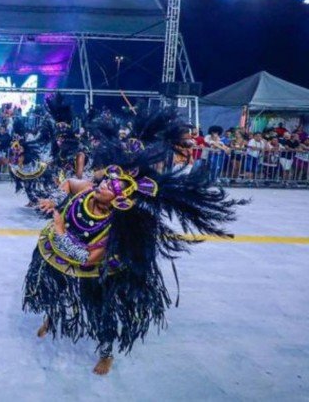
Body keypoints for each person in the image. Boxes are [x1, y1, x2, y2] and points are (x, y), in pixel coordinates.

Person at [24, 134, 246, 376]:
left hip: (93, 267)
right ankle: (52, 317)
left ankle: (106, 352)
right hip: (59, 252)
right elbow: (67, 183)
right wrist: (53, 200)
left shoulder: (117, 227)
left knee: (100, 310)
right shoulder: (87, 189)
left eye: (112, 186)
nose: (105, 184)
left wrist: (59, 230)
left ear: (120, 201)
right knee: (54, 287)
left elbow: (87, 258)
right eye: (106, 180)